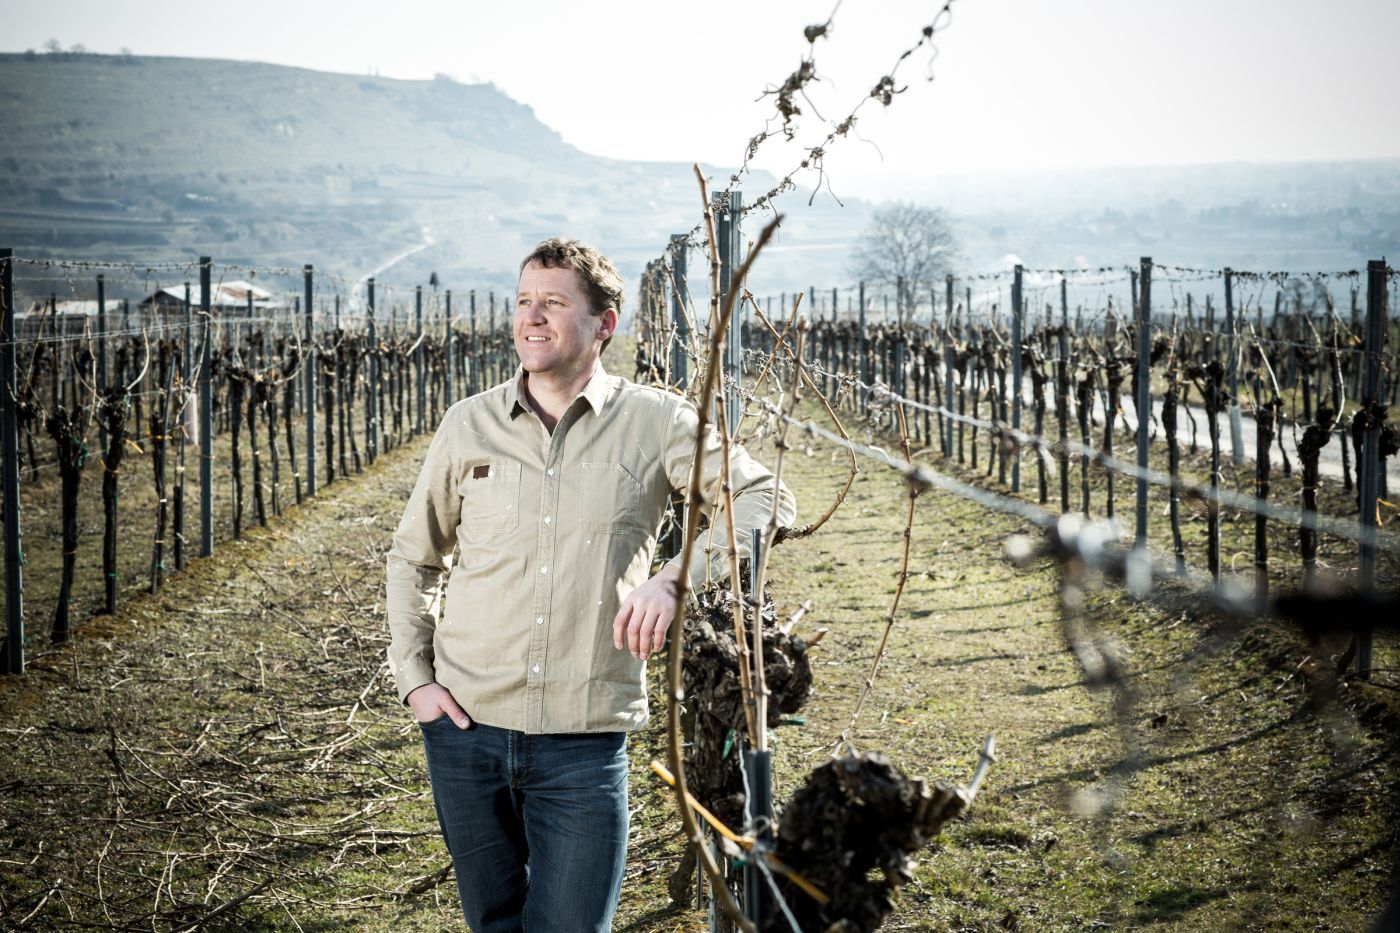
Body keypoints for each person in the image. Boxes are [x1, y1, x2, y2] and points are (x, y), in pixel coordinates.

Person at [384, 236, 796, 931]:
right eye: (522, 302)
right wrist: (415, 679)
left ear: (605, 324)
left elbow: (765, 497)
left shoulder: (655, 420)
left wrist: (675, 580)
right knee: (493, 923)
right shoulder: (468, 424)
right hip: (464, 728)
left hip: (583, 741)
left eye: (553, 302)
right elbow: (413, 558)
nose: (531, 318)